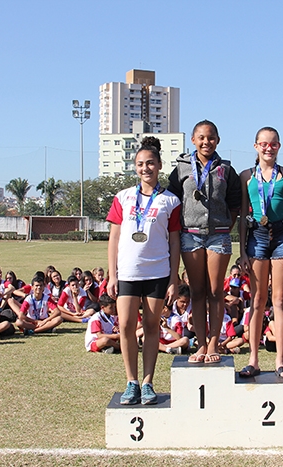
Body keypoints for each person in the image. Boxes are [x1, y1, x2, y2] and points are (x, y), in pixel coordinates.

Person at [107, 136, 181, 405]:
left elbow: (174, 241)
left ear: (159, 165)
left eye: (150, 163)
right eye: (140, 164)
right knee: (126, 326)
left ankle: (148, 382)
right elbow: (114, 238)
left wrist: (173, 278)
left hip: (157, 272)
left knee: (151, 326)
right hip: (127, 272)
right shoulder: (123, 197)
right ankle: (131, 382)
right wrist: (112, 274)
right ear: (135, 167)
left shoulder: (170, 201)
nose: (145, 168)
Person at [168, 120, 241, 364]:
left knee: (215, 291)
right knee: (197, 292)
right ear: (193, 140)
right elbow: (173, 201)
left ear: (217, 140)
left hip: (218, 235)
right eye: (201, 137)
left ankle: (213, 343)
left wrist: (223, 228)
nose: (205, 142)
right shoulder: (181, 168)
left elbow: (234, 205)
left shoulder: (226, 170)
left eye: (210, 138)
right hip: (190, 234)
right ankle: (200, 344)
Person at [238, 126, 283, 379]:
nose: (268, 148)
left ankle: (280, 360)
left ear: (279, 146)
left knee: (279, 300)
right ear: (255, 146)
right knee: (256, 300)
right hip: (257, 237)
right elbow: (243, 216)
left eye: (273, 144)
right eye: (263, 144)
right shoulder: (246, 176)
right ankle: (253, 359)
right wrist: (242, 250)